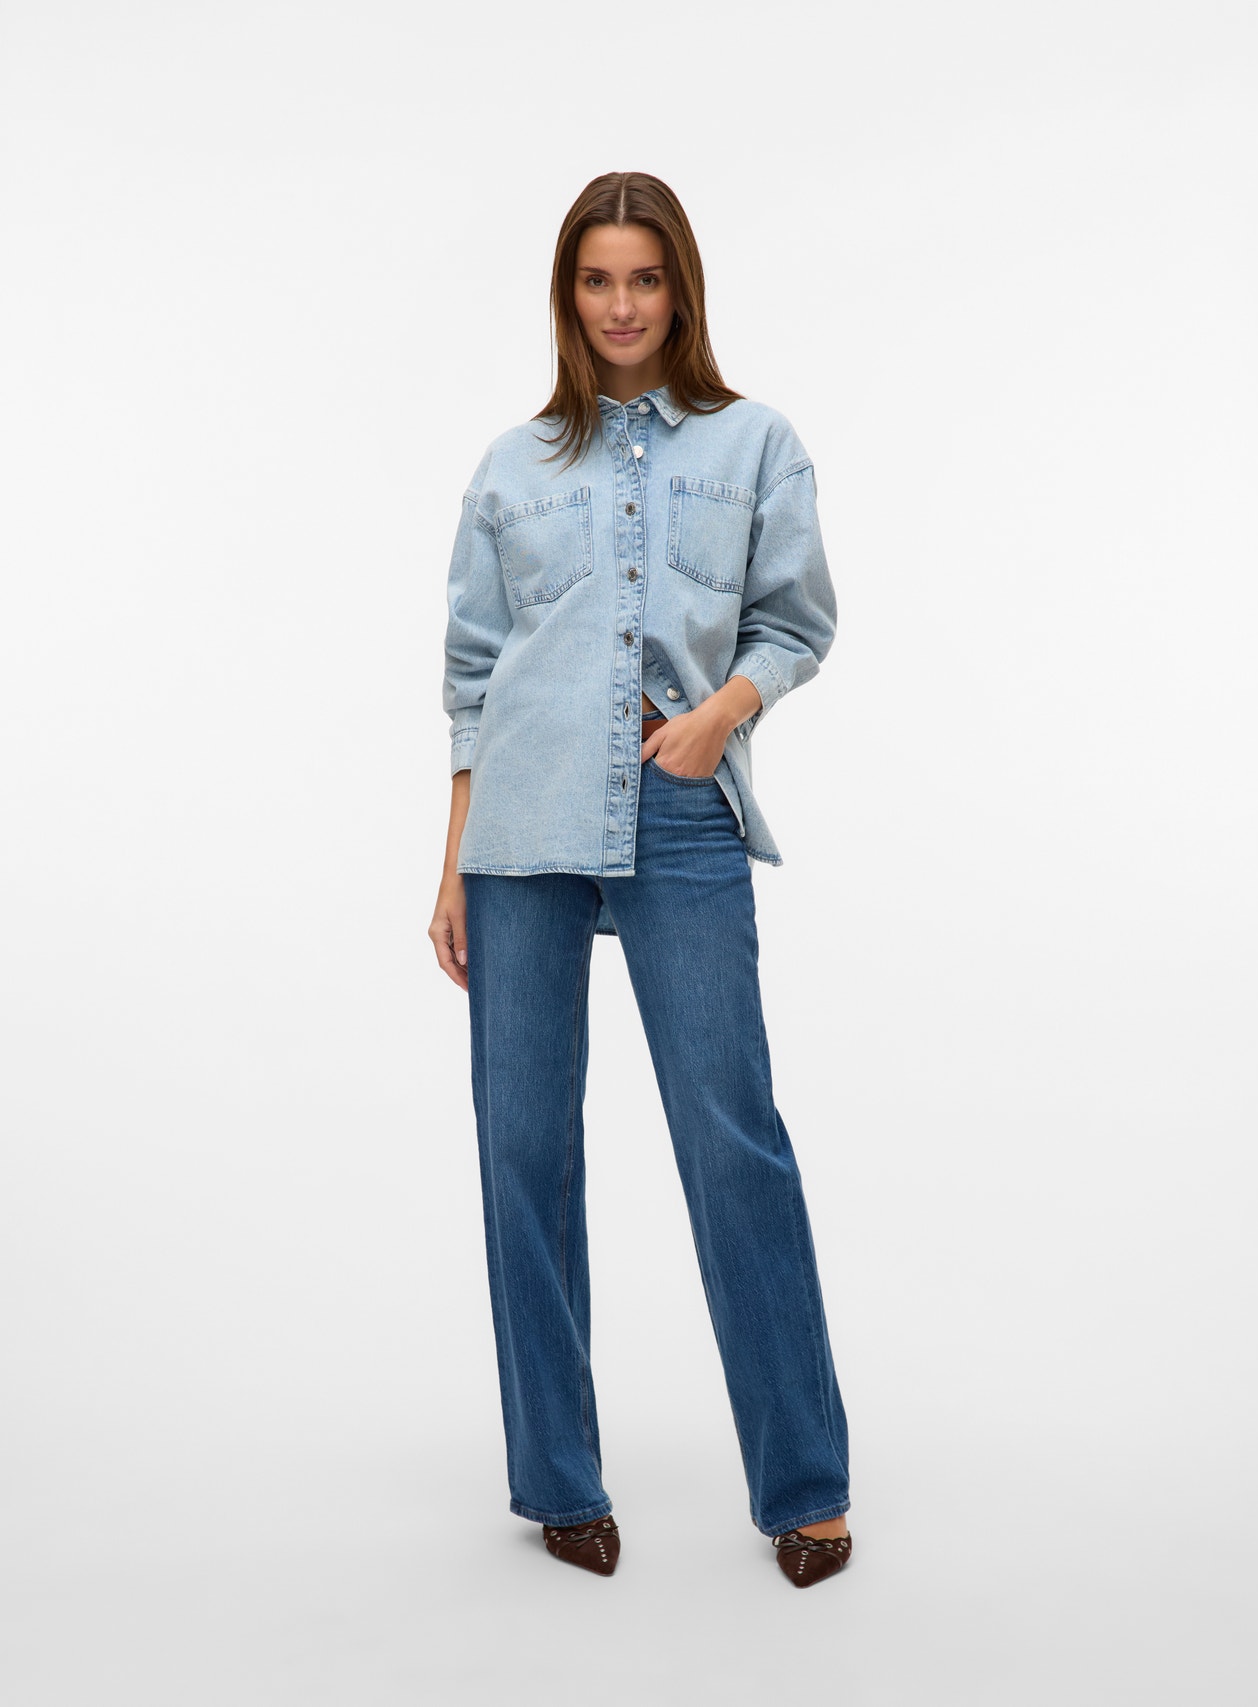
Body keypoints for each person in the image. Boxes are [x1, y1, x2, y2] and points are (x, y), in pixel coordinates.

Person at [430, 171, 852, 1589]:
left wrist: (724, 714)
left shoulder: (755, 443)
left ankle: (805, 1486)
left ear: (682, 290)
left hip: (680, 810)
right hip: (522, 830)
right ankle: (559, 1479)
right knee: (524, 1150)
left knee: (734, 1139)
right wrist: (453, 864)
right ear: (568, 295)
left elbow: (797, 623)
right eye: (597, 280)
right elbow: (472, 679)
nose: (621, 306)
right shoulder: (510, 467)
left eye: (645, 279)